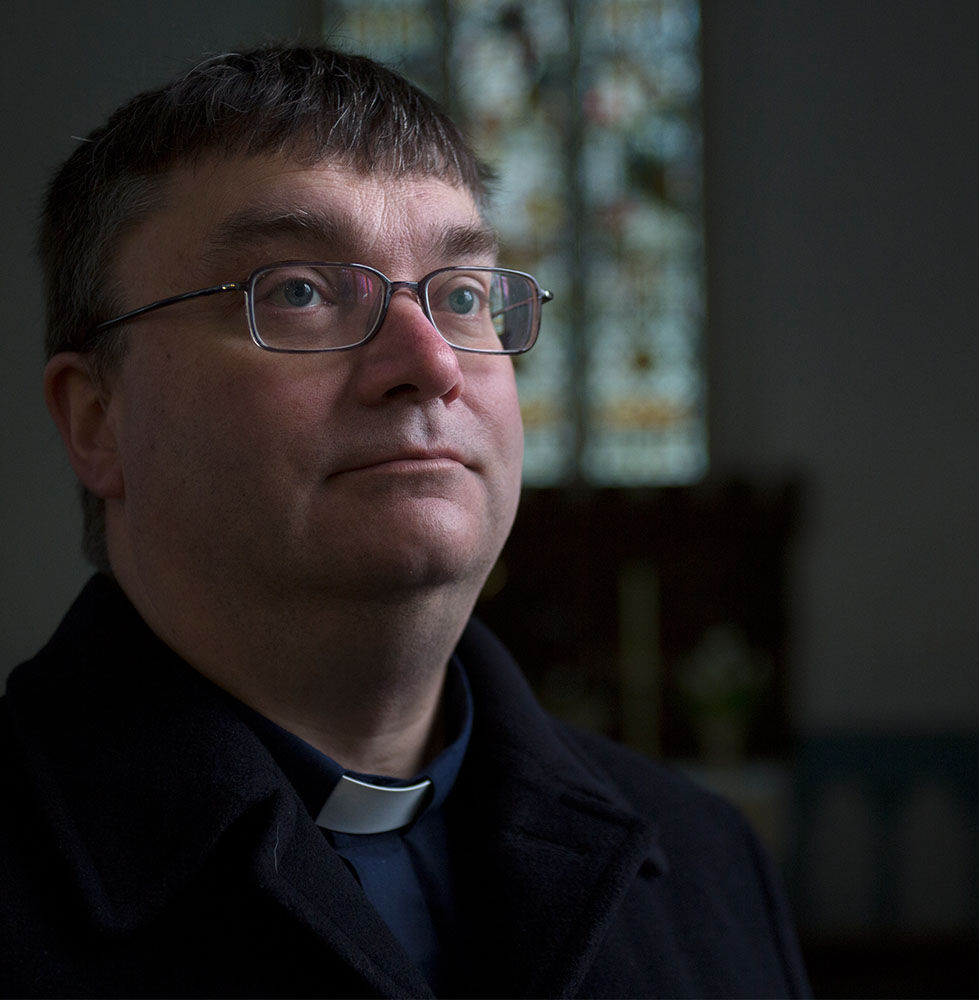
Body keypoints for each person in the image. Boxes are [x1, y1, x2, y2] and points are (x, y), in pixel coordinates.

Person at [0, 44, 810, 998]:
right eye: (299, 291)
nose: (431, 361)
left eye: (463, 295)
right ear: (98, 419)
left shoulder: (707, 859)